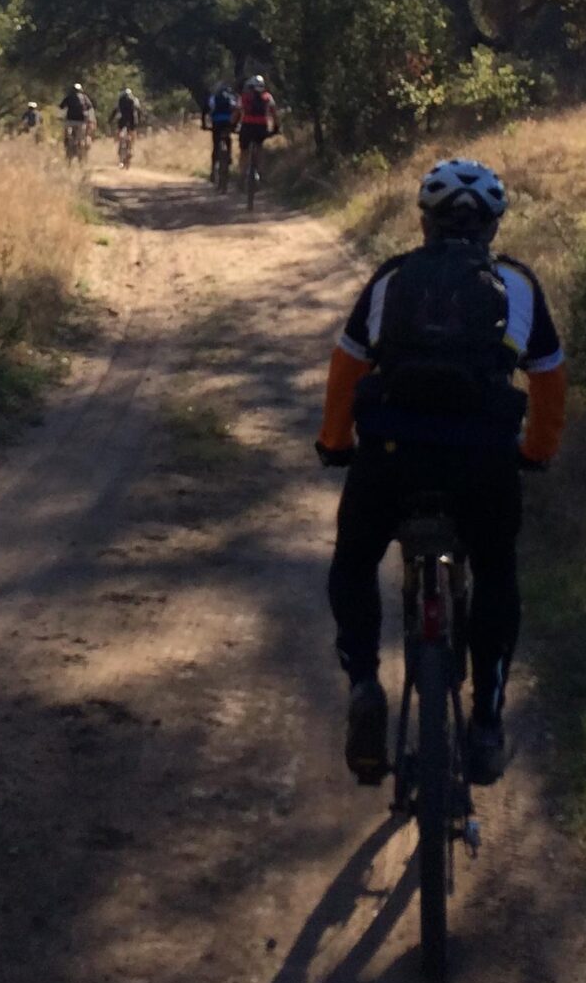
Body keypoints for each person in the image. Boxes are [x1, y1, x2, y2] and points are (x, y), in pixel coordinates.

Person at [316, 159, 565, 788]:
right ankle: (484, 721)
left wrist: (334, 443)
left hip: (392, 458)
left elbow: (346, 375)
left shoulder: (393, 279)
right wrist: (534, 452)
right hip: (482, 465)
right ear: (493, 225)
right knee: (498, 572)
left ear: (423, 222)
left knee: (352, 561)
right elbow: (549, 385)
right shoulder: (518, 286)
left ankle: (366, 683)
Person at [236, 73, 278, 178]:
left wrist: (233, 124)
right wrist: (276, 127)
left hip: (247, 125)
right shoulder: (268, 97)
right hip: (261, 126)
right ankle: (260, 172)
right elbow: (274, 114)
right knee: (259, 148)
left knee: (244, 150)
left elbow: (237, 111)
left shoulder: (244, 97)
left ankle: (242, 175)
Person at [205, 81, 238, 180]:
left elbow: (208, 110)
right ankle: (229, 156)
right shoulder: (231, 98)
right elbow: (235, 109)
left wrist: (205, 125)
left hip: (216, 123)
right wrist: (234, 125)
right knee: (228, 139)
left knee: (216, 145)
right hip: (227, 122)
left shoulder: (213, 98)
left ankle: (213, 170)